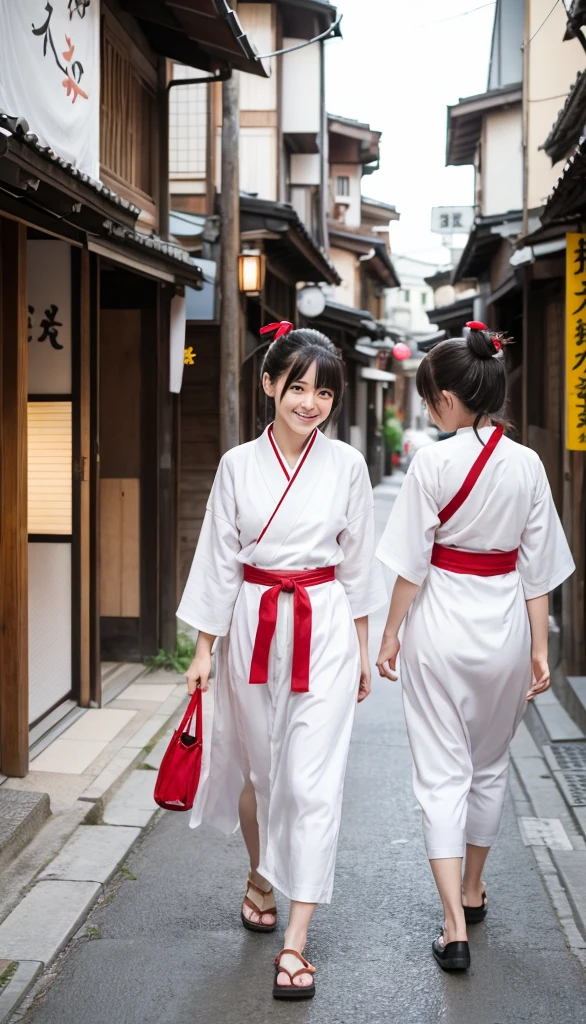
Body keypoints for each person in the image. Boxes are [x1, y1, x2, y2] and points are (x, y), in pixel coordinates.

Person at [178, 322, 385, 1000]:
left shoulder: (348, 466)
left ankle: (295, 942)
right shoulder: (238, 464)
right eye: (297, 387)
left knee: (313, 782)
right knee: (263, 775)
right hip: (255, 625)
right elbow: (217, 559)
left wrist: (360, 648)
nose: (309, 403)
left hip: (322, 624)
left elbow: (355, 566)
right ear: (269, 384)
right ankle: (261, 873)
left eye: (323, 392)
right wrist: (204, 651)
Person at [375, 322, 575, 972]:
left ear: (450, 401)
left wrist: (390, 632)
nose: (432, 406)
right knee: (488, 768)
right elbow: (537, 568)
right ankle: (474, 885)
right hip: (505, 632)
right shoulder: (528, 463)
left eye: (432, 396)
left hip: (439, 629)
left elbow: (411, 564)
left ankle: (454, 927)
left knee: (441, 775)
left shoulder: (433, 460)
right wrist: (539, 650)